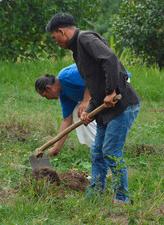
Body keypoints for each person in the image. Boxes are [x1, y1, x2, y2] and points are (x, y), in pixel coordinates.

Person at [45, 13, 141, 203]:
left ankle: (122, 198)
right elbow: (93, 84)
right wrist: (88, 108)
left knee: (111, 151)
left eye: (55, 39)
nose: (56, 43)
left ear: (61, 31)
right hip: (104, 109)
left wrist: (112, 90)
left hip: (120, 105)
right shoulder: (77, 50)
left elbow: (111, 59)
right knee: (97, 152)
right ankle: (95, 196)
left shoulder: (85, 38)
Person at [35, 63, 97, 156]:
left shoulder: (66, 76)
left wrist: (86, 99)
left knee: (83, 110)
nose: (47, 99)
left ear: (48, 88)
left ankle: (100, 147)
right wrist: (56, 148)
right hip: (100, 95)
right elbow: (67, 121)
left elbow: (92, 73)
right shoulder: (64, 95)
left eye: (45, 96)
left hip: (115, 83)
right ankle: (97, 146)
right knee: (78, 112)